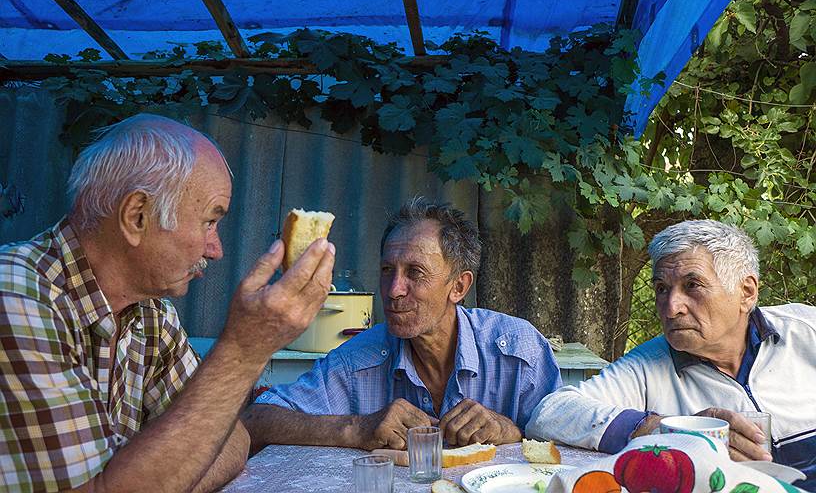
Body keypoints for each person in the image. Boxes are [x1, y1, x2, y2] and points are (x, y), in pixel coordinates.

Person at [0, 114, 335, 492]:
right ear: (136, 215)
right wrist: (243, 350)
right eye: (210, 221)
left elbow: (232, 435)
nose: (217, 248)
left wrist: (163, 475)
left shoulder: (152, 315)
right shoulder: (17, 299)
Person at [243, 197, 562, 453]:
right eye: (386, 270)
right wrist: (358, 428)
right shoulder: (358, 359)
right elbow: (255, 420)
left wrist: (511, 431)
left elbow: (568, 447)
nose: (393, 290)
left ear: (459, 287)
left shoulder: (520, 349)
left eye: (415, 272)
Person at [525, 220, 816, 489]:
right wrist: (669, 432)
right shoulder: (649, 365)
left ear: (746, 292)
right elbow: (550, 414)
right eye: (662, 289)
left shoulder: (805, 332)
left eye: (693, 285)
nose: (671, 307)